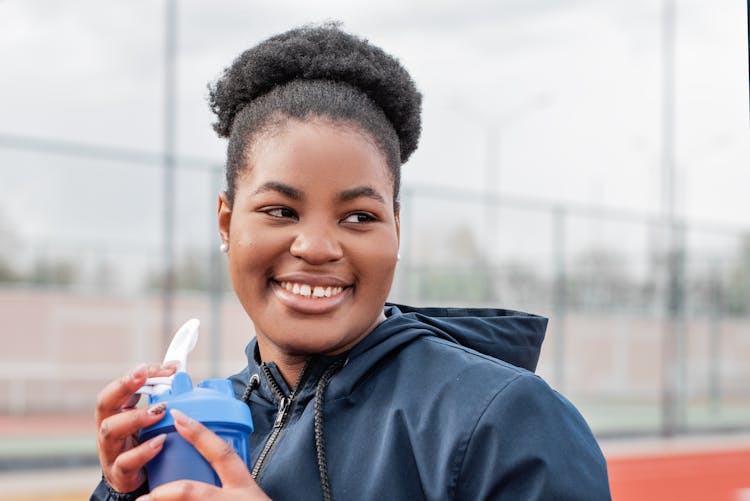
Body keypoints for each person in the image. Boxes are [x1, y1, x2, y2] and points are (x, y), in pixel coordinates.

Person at [91, 23, 611, 501]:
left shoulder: (507, 420)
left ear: (396, 230)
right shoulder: (210, 421)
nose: (317, 247)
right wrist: (122, 491)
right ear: (226, 223)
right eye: (280, 210)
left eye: (359, 217)